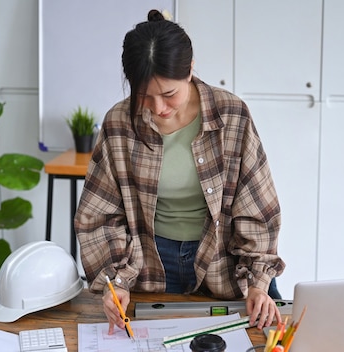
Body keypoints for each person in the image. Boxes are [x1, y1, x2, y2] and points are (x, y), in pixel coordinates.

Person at [74, 9, 285, 336]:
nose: (159, 108)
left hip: (224, 262)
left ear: (189, 69)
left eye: (169, 94)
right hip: (147, 264)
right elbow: (99, 215)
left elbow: (256, 205)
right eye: (144, 96)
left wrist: (258, 283)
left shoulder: (231, 114)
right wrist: (116, 282)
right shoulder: (118, 123)